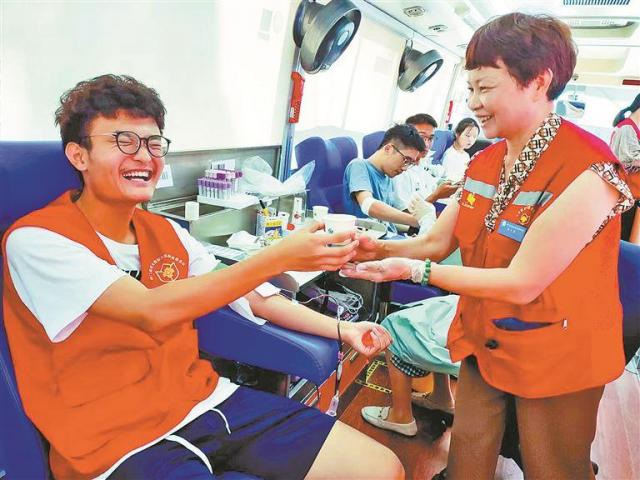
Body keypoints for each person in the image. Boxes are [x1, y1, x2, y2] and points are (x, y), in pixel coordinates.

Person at [1, 74, 404, 480]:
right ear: (79, 155)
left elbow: (253, 295)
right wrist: (276, 257)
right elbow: (148, 309)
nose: (144, 156)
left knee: (382, 468)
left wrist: (343, 329)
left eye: (153, 143)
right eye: (123, 141)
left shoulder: (165, 231)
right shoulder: (36, 240)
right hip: (113, 441)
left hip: (203, 399)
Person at [341, 12, 633, 480]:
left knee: (553, 467)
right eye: (470, 88)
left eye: (486, 88)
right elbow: (436, 240)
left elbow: (522, 282)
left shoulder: (589, 168)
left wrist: (413, 272)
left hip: (556, 350)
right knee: (468, 456)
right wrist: (375, 249)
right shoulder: (486, 161)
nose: (474, 103)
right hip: (483, 332)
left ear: (538, 82)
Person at [342, 124, 427, 236]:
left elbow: (388, 221)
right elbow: (368, 205)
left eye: (410, 163)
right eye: (406, 160)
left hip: (385, 235)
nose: (405, 168)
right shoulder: (358, 166)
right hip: (366, 237)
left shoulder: (388, 178)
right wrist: (418, 221)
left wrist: (417, 226)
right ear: (388, 149)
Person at [392, 114, 458, 212]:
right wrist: (436, 196)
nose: (426, 144)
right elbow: (404, 214)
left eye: (430, 139)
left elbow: (430, 187)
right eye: (421, 137)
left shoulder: (422, 163)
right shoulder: (400, 170)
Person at [610, 93, 640, 243]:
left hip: (631, 196)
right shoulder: (627, 129)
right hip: (626, 195)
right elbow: (629, 160)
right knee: (623, 239)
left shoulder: (632, 128)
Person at [441, 118, 480, 183]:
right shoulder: (450, 154)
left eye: (474, 137)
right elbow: (448, 179)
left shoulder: (466, 155)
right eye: (467, 135)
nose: (471, 140)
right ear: (457, 133)